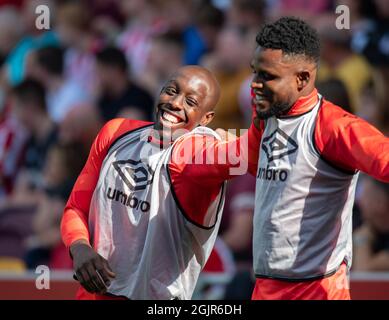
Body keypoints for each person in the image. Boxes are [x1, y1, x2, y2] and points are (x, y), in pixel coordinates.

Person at [60, 65, 260, 300]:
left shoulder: (198, 154)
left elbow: (252, 155)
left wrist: (260, 99)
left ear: (206, 118)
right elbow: (76, 206)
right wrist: (80, 246)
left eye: (191, 102)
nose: (175, 103)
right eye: (171, 90)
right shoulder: (115, 132)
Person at [249, 17, 389, 300]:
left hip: (317, 290)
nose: (255, 85)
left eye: (268, 76)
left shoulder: (335, 127)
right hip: (265, 287)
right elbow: (246, 161)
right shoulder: (266, 117)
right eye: (255, 73)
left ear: (302, 78)